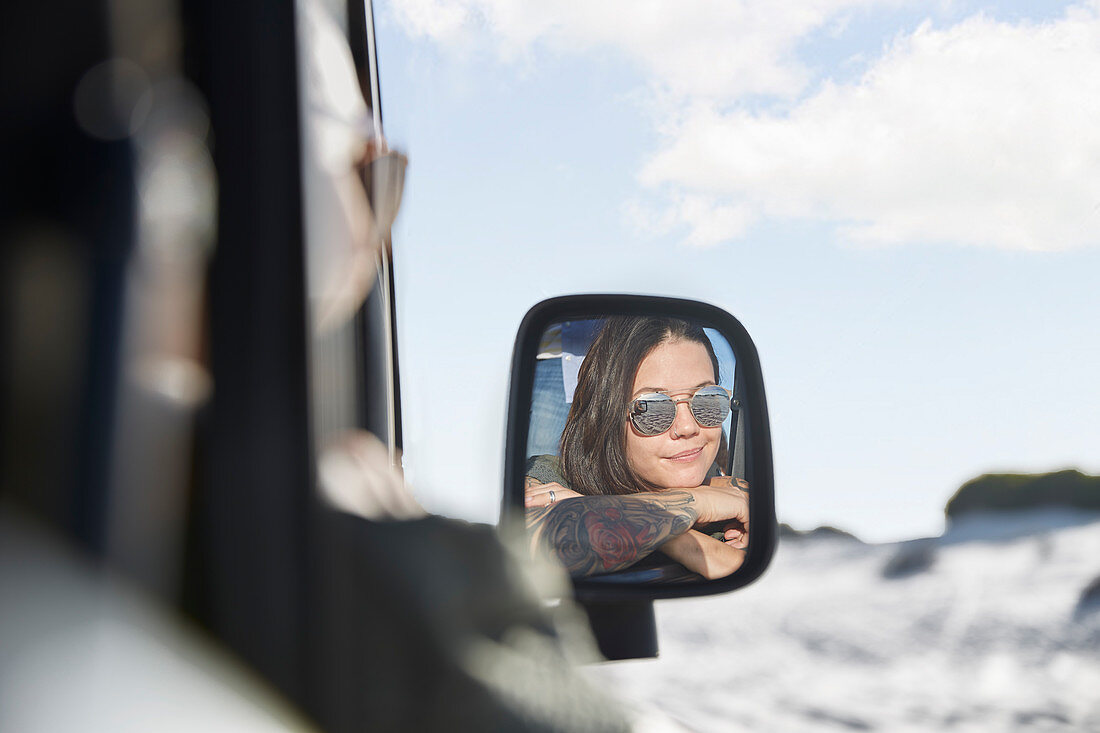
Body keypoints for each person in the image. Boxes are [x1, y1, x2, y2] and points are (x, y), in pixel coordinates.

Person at [525, 316, 750, 580]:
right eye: (652, 408)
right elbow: (537, 545)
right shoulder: (546, 479)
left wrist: (597, 513)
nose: (688, 427)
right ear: (605, 419)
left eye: (707, 399)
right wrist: (691, 518)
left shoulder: (733, 495)